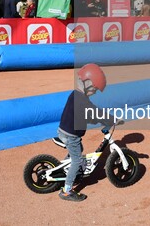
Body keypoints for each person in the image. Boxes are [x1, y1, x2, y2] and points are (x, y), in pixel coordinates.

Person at [57, 64, 115, 202]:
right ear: (87, 84)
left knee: (78, 151)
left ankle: (67, 169)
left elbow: (90, 114)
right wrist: (110, 119)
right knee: (77, 160)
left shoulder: (76, 95)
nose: (95, 92)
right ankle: (67, 190)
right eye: (95, 89)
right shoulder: (82, 100)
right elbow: (94, 113)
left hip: (65, 131)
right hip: (71, 135)